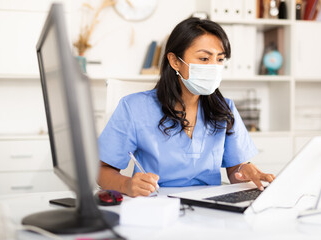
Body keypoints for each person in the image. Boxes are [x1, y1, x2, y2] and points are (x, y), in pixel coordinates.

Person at [97, 17, 275, 197]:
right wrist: (126, 185)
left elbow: (235, 170)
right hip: (157, 206)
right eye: (204, 58)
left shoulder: (224, 108)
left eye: (220, 59)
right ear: (175, 61)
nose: (213, 67)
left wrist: (246, 171)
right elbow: (102, 171)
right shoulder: (134, 108)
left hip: (209, 207)